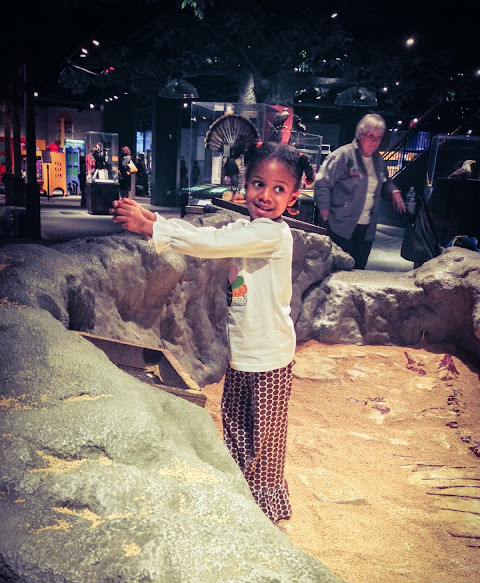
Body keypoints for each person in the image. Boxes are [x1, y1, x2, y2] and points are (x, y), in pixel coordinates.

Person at [110, 141, 315, 525]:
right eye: (258, 184)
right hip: (243, 353)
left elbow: (213, 243)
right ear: (244, 185)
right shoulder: (248, 228)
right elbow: (214, 233)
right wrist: (158, 219)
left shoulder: (272, 235)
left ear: (293, 198)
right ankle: (239, 497)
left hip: (270, 357)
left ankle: (263, 514)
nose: (266, 195)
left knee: (265, 441)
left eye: (278, 189)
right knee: (235, 426)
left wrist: (153, 228)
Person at [314, 113, 405, 269]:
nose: (375, 142)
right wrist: (325, 214)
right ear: (360, 134)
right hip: (340, 226)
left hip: (366, 229)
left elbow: (385, 182)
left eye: (379, 138)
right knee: (337, 271)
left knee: (358, 270)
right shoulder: (343, 155)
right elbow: (322, 184)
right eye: (371, 136)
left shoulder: (378, 160)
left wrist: (394, 192)